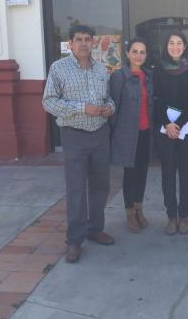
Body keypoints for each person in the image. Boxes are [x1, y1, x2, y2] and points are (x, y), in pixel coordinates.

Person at [42, 24, 115, 264]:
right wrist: (83, 108)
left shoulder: (101, 69)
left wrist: (109, 108)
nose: (84, 43)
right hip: (74, 136)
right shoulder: (59, 68)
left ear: (94, 42)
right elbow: (49, 102)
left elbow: (108, 98)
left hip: (100, 134)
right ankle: (74, 240)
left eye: (88, 39)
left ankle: (95, 229)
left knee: (100, 186)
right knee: (75, 189)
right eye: (79, 39)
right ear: (70, 44)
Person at [153, 32, 188, 235]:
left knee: (186, 173)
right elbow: (156, 99)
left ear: (185, 46)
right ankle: (171, 216)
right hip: (165, 129)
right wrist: (168, 124)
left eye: (179, 43)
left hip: (187, 127)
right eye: (171, 43)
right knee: (168, 173)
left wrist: (178, 124)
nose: (175, 46)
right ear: (166, 46)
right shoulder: (159, 68)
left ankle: (184, 215)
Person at [110, 38, 153, 233]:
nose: (138, 55)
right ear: (127, 54)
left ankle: (139, 209)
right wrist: (113, 134)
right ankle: (129, 213)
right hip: (127, 134)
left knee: (142, 173)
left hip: (145, 132)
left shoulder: (148, 76)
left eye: (142, 52)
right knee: (130, 175)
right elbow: (113, 107)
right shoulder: (120, 76)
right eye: (134, 51)